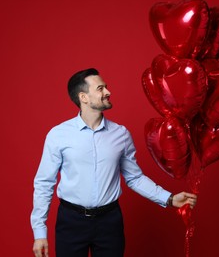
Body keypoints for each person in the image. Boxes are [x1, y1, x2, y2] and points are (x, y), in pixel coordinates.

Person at [31, 68, 197, 257]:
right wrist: (39, 233)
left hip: (109, 222)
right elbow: (44, 183)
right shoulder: (58, 135)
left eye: (106, 87)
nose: (108, 92)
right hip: (71, 222)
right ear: (83, 97)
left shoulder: (121, 134)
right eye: (100, 88)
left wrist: (169, 199)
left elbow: (134, 178)